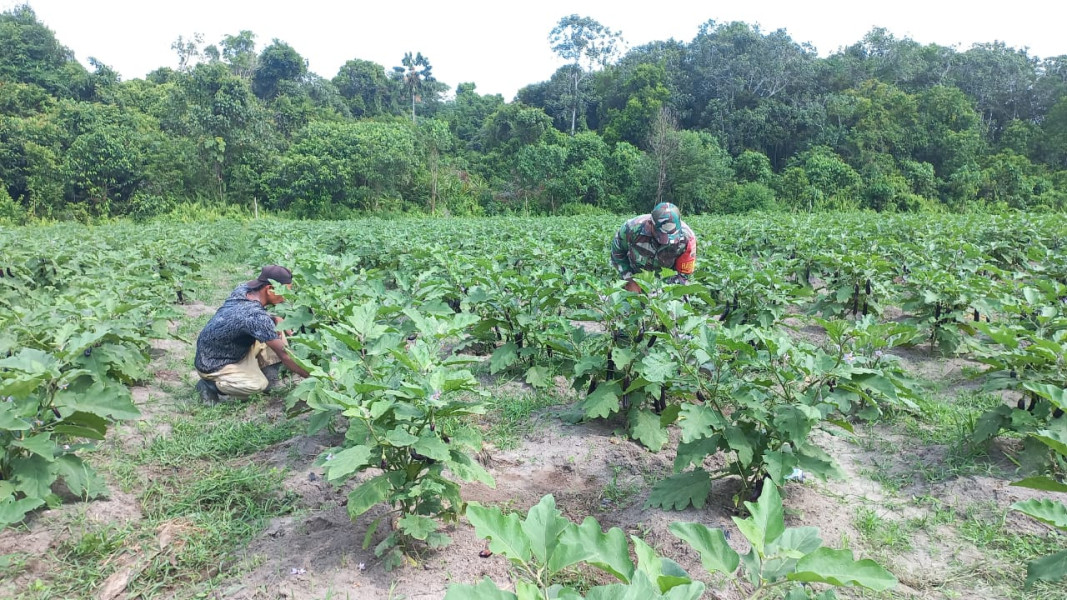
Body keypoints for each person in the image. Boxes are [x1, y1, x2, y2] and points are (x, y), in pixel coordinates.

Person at [194, 265, 310, 403]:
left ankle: (266, 373)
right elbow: (285, 355)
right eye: (285, 292)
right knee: (257, 385)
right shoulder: (255, 317)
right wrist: (314, 377)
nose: (286, 298)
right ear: (269, 289)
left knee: (278, 329)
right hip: (214, 365)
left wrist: (274, 318)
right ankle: (210, 386)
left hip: (222, 350)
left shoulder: (243, 290)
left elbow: (253, 320)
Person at [610, 202, 697, 292]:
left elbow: (683, 274)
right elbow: (617, 254)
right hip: (636, 277)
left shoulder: (688, 238)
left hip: (667, 282)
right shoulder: (631, 229)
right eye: (662, 236)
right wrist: (629, 280)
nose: (666, 242)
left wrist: (664, 293)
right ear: (651, 224)